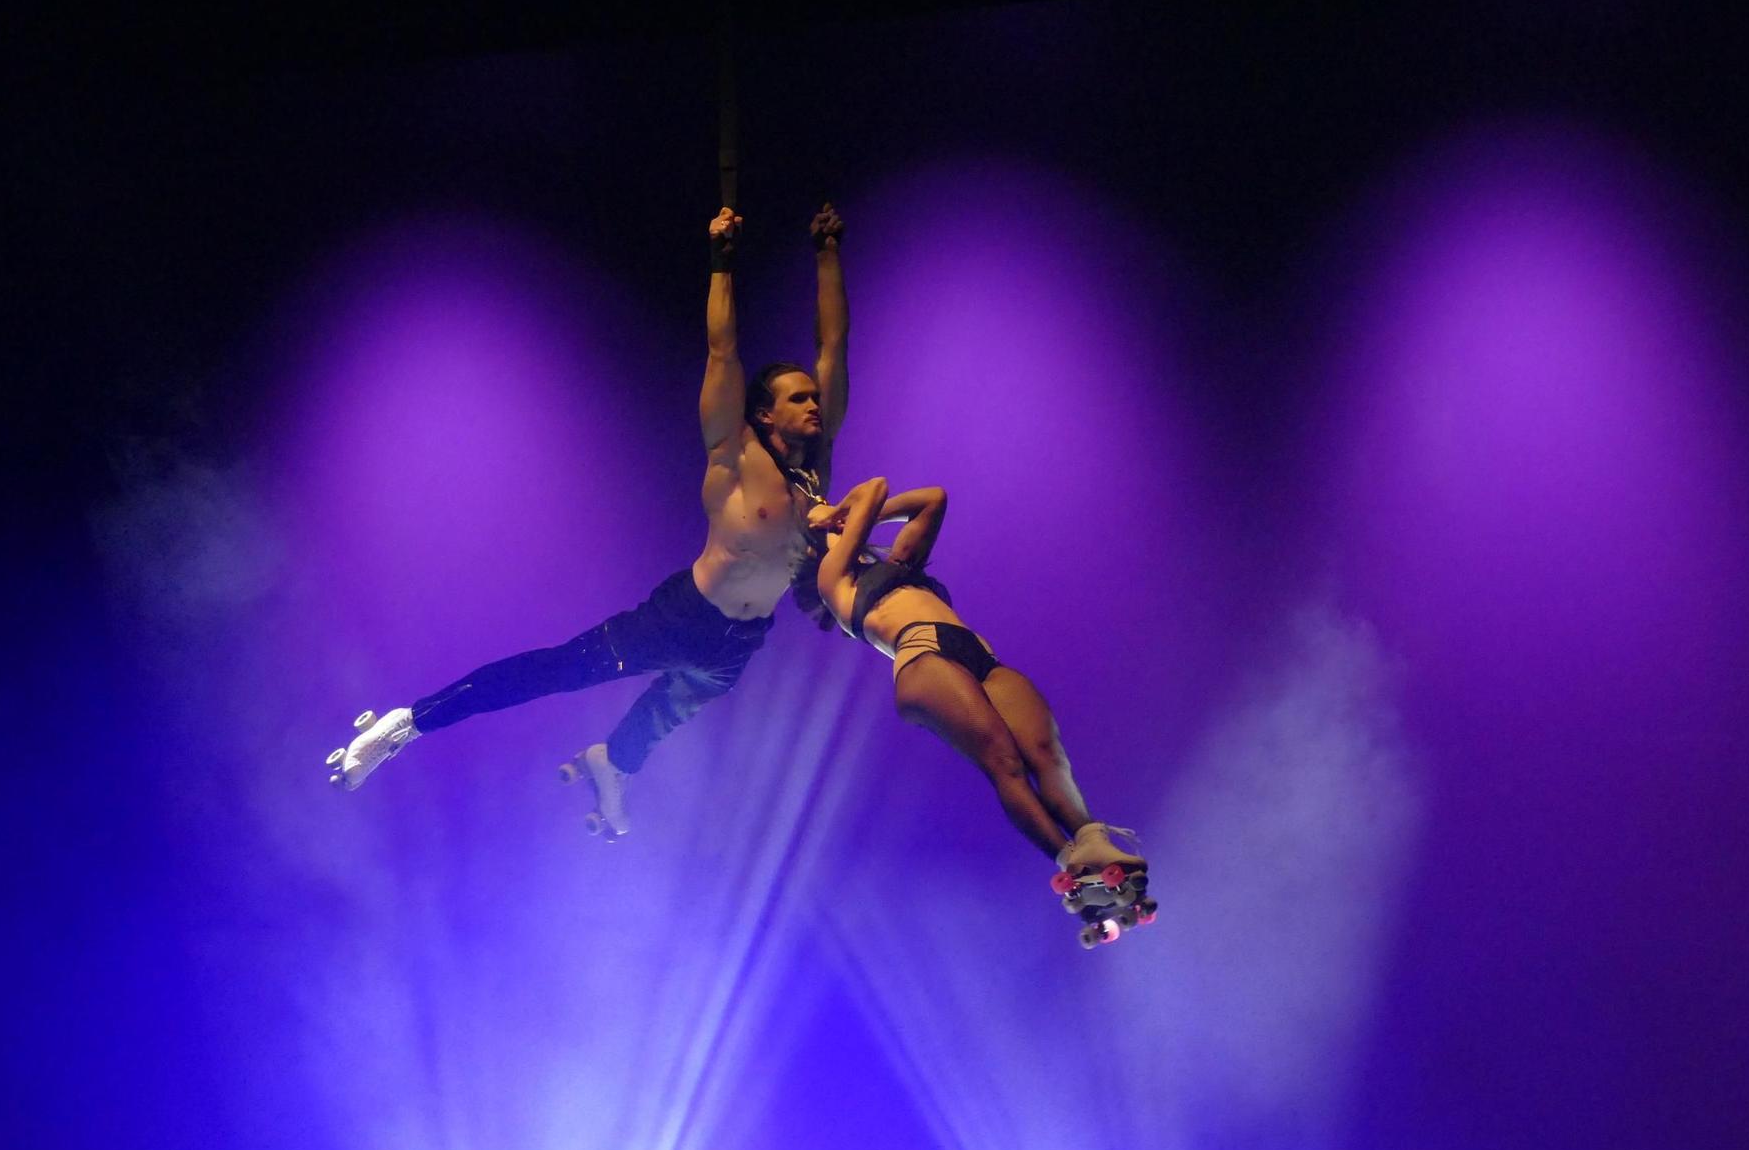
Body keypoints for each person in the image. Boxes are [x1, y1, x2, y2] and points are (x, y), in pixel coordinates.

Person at [326, 203, 852, 838]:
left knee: (665, 714)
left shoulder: (812, 475)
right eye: (799, 398)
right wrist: (722, 259)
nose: (814, 405)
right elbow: (722, 349)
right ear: (765, 414)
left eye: (815, 398)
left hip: (738, 646)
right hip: (682, 616)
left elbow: (833, 347)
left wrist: (826, 253)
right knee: (556, 671)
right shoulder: (735, 451)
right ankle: (405, 724)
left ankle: (611, 765)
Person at [797, 476, 1147, 880]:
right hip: (923, 655)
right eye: (828, 530)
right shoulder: (834, 582)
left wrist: (839, 514)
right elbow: (874, 490)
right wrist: (845, 515)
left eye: (843, 523)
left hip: (979, 655)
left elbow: (932, 500)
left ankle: (1091, 839)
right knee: (1003, 760)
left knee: (1047, 753)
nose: (841, 528)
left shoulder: (898, 566)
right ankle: (1069, 861)